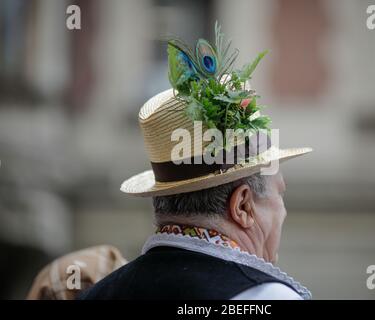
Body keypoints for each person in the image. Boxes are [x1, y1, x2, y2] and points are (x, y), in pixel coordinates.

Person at [79, 23, 312, 300]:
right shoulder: (265, 296)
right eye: (280, 194)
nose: (283, 211)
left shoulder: (96, 295)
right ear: (243, 205)